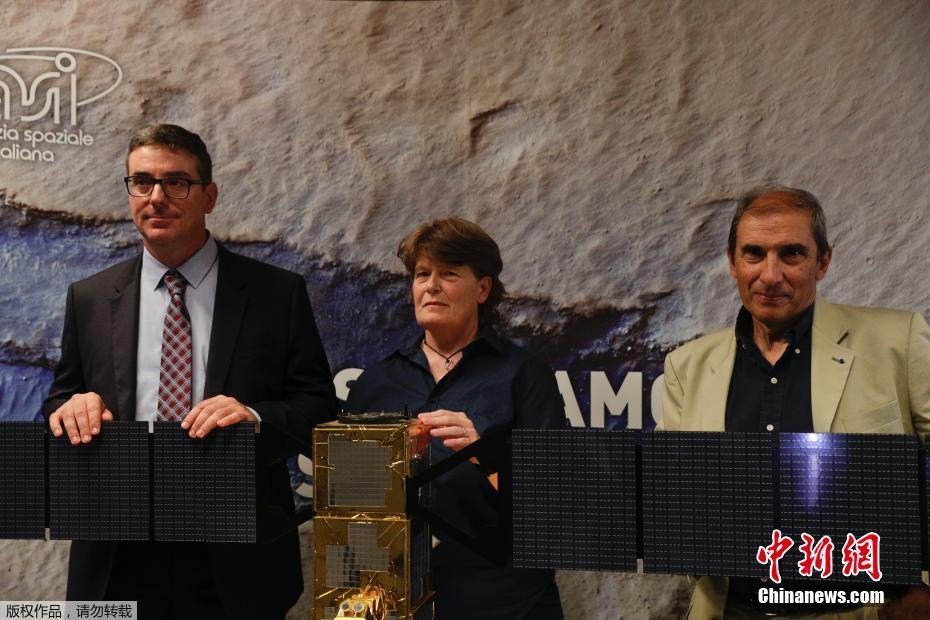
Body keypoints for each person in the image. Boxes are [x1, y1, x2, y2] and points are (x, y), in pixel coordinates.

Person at [43, 124, 338, 619]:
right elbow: (58, 402)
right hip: (117, 556)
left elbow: (320, 412)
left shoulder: (276, 294)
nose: (156, 197)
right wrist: (71, 408)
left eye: (175, 182)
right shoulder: (90, 297)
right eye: (142, 182)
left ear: (209, 196)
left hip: (235, 560)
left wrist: (254, 416)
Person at [660, 186, 930, 619]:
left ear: (822, 261)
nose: (770, 274)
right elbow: (671, 493)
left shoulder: (898, 341)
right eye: (754, 253)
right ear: (732, 261)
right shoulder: (686, 366)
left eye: (791, 254)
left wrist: (923, 588)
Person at [345, 218, 564, 620]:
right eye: (422, 274)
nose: (430, 286)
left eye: (448, 274)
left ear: (482, 289)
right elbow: (354, 511)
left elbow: (555, 502)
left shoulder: (525, 375)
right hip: (396, 599)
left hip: (505, 600)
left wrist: (485, 455)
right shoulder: (375, 383)